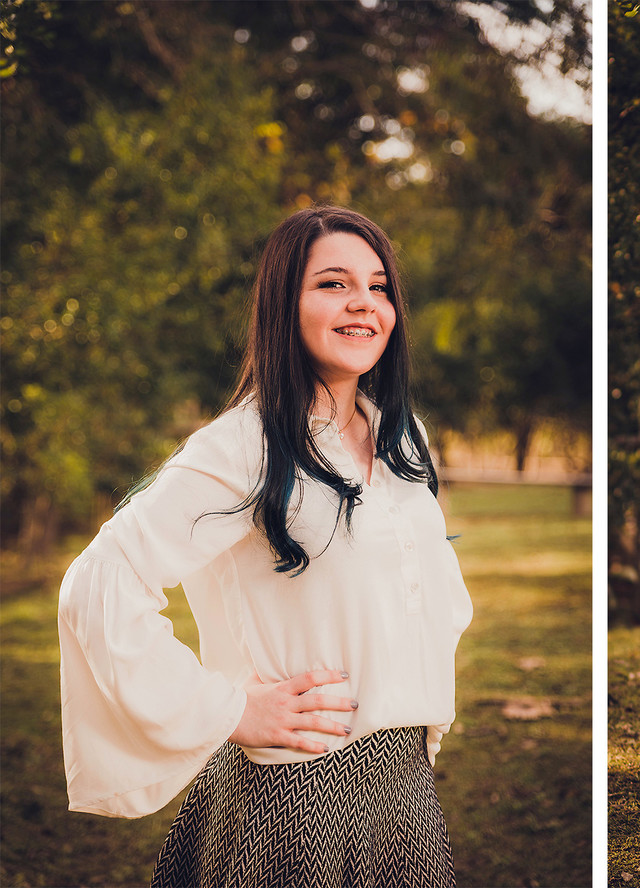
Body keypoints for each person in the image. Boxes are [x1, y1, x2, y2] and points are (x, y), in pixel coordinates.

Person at [58, 205, 473, 884]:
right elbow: (99, 580)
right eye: (333, 284)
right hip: (295, 791)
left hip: (406, 788)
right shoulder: (244, 444)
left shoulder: (403, 438)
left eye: (378, 287)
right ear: (285, 304)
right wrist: (231, 710)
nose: (363, 303)